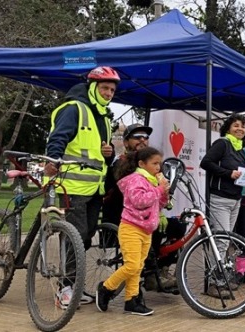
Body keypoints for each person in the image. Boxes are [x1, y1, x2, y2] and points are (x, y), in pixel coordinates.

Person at [44, 66, 118, 308]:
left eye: (112, 90)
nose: (109, 93)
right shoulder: (74, 108)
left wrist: (109, 152)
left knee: (84, 237)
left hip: (93, 188)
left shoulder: (105, 116)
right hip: (71, 185)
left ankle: (72, 285)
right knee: (75, 237)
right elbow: (58, 137)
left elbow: (101, 154)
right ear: (92, 86)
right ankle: (65, 289)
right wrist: (52, 161)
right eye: (105, 88)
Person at [102, 123, 180, 291]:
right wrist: (158, 193)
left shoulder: (151, 167)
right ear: (125, 142)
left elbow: (155, 196)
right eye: (137, 137)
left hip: (146, 214)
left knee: (179, 227)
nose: (142, 140)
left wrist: (163, 198)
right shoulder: (121, 165)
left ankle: (162, 267)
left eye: (145, 137)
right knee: (154, 231)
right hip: (123, 214)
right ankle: (150, 275)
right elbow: (134, 198)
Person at [96, 146, 169, 316]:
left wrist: (164, 193)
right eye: (154, 163)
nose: (158, 167)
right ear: (142, 164)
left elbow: (159, 204)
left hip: (146, 230)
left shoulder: (152, 181)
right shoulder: (136, 180)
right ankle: (106, 288)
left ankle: (132, 300)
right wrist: (158, 190)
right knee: (132, 265)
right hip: (131, 228)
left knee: (138, 267)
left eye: (160, 163)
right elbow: (139, 201)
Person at [199, 113, 245, 247]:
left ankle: (220, 268)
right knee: (222, 240)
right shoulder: (222, 143)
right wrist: (228, 173)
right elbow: (205, 163)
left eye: (243, 127)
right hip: (220, 200)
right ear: (228, 129)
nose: (240, 129)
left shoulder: (240, 149)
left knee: (227, 240)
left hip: (236, 200)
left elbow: (239, 173)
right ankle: (216, 268)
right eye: (236, 126)